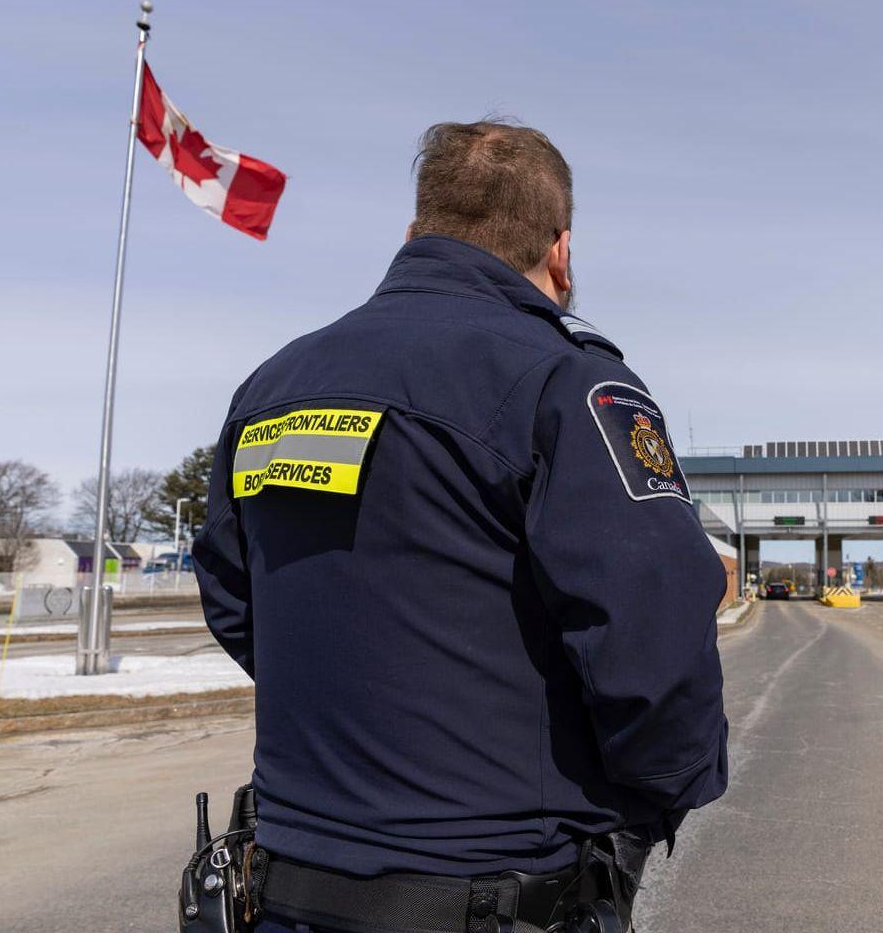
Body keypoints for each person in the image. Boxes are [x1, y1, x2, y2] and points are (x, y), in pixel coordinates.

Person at [194, 121, 729, 932]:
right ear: (561, 251)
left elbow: (237, 598)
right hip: (498, 893)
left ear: (414, 235)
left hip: (289, 889)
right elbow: (651, 631)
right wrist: (652, 804)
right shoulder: (565, 382)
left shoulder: (276, 384)